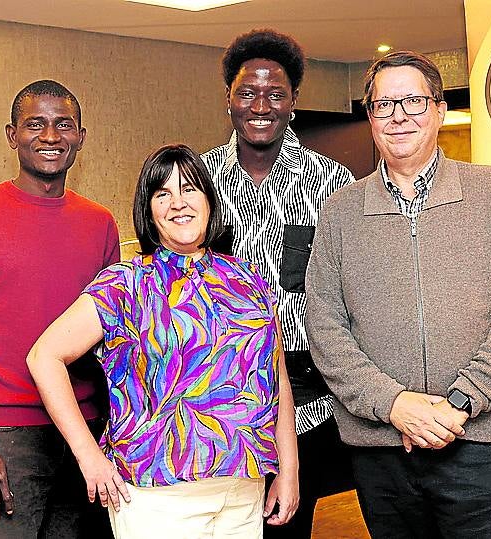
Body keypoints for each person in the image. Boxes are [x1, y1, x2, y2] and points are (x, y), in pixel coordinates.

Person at [306, 50, 491, 538]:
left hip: (479, 441)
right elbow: (324, 323)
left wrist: (458, 404)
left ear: (438, 109)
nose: (398, 116)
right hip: (382, 450)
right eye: (383, 105)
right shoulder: (341, 210)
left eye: (413, 101)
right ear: (370, 117)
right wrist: (395, 404)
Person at [26, 144, 299, 539]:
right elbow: (44, 356)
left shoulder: (248, 276)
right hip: (156, 497)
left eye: (189, 188)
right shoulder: (127, 283)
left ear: (209, 199)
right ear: (149, 211)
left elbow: (277, 378)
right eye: (162, 193)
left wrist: (288, 469)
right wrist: (89, 457)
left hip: (243, 490)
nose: (178, 203)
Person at [0, 80, 120, 538]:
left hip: (86, 430)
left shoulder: (100, 223)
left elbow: (114, 339)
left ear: (81, 137)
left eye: (64, 125)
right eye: (35, 124)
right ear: (11, 135)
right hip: (7, 436)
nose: (51, 136)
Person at [202, 28, 355, 537]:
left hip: (310, 400)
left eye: (275, 93)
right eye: (247, 93)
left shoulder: (332, 182)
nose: (260, 105)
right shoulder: (194, 182)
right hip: (215, 400)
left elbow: (355, 291)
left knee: (287, 525)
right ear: (228, 100)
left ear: (294, 102)